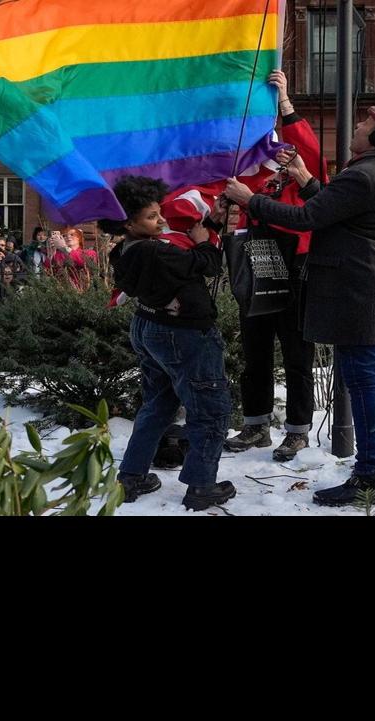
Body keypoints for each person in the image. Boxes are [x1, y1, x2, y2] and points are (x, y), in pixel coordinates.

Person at [224, 104, 375, 506]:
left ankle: (373, 472)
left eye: (365, 123)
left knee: (365, 384)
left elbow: (308, 219)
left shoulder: (363, 175)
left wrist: (250, 200)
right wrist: (304, 177)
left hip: (358, 295)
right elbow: (343, 213)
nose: (357, 126)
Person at [102, 176, 235, 511]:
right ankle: (201, 486)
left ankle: (131, 477)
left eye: (159, 212)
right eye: (152, 217)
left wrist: (210, 223)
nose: (161, 220)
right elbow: (205, 264)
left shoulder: (127, 249)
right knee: (210, 409)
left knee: (158, 404)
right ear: (129, 223)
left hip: (150, 327)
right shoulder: (155, 251)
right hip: (184, 335)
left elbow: (184, 262)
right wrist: (205, 240)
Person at [222, 68, 323, 462]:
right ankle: (256, 424)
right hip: (257, 263)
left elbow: (309, 151)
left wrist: (284, 102)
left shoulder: (301, 171)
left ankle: (297, 430)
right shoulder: (252, 172)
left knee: (298, 355)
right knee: (255, 350)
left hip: (296, 266)